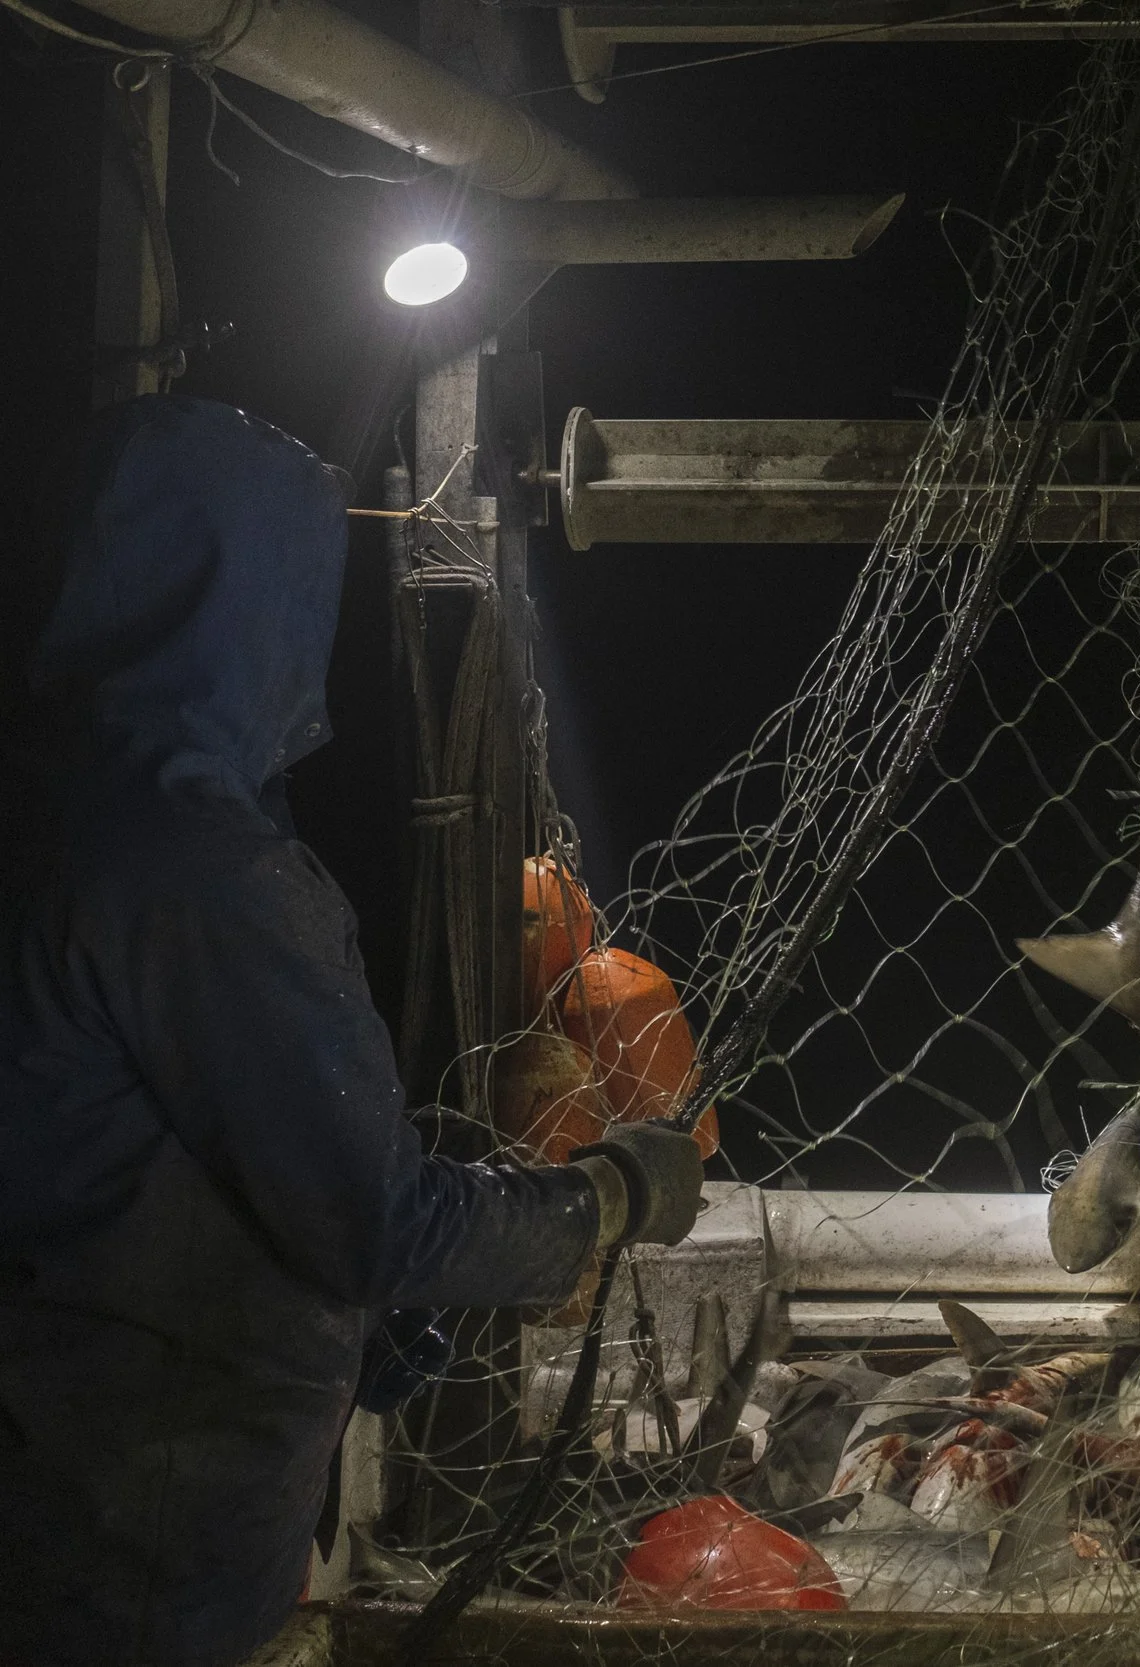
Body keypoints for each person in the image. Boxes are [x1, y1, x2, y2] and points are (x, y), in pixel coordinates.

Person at [0, 397, 707, 1667]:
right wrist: (609, 1193)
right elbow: (384, 1221)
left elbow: (141, 1162)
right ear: (262, 601)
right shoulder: (202, 877)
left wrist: (340, 1320)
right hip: (138, 1572)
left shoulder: (70, 822)